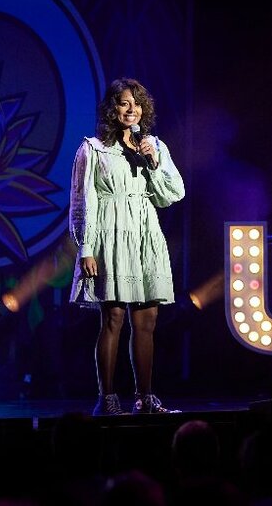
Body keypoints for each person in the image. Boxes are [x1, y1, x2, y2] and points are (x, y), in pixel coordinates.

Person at [69, 77, 185, 415]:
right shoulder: (93, 149)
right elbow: (81, 199)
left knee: (147, 320)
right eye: (123, 102)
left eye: (136, 103)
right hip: (110, 234)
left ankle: (146, 397)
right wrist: (86, 246)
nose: (131, 108)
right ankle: (107, 398)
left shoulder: (153, 147)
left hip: (145, 233)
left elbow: (171, 195)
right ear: (112, 109)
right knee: (114, 318)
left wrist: (154, 163)